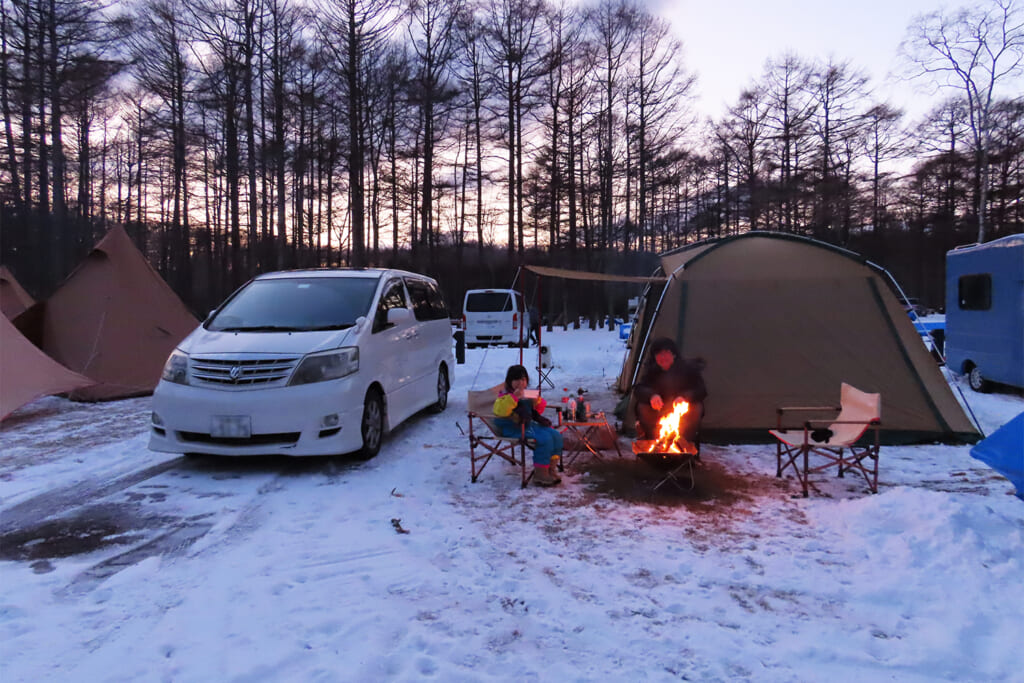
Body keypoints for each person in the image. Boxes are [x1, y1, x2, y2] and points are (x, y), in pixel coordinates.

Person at [493, 364, 564, 486]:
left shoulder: (527, 394)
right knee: (544, 439)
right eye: (517, 380)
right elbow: (500, 411)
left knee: (556, 435)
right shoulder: (504, 396)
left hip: (529, 426)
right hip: (513, 428)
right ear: (510, 382)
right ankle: (540, 474)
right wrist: (514, 397)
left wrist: (537, 401)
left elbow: (537, 411)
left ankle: (550, 469)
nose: (520, 383)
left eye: (523, 379)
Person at [632, 337, 706, 444]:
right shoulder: (651, 371)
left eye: (666, 352)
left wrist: (684, 397)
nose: (663, 357)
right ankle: (655, 443)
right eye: (659, 354)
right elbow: (639, 389)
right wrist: (652, 396)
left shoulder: (688, 369)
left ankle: (685, 444)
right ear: (654, 357)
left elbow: (701, 390)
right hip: (660, 408)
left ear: (674, 355)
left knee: (696, 408)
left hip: (681, 409)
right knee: (642, 407)